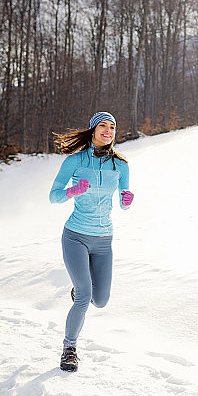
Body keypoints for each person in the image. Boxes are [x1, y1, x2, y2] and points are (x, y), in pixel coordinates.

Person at [49, 111, 134, 372]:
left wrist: (127, 200)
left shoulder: (120, 165)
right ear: (93, 130)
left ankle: (78, 291)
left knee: (101, 300)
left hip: (104, 240)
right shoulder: (75, 161)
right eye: (103, 126)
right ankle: (69, 349)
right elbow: (54, 196)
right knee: (85, 296)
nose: (108, 131)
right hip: (75, 236)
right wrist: (72, 191)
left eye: (112, 127)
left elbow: (124, 199)